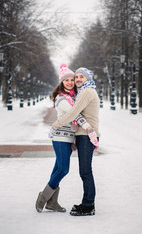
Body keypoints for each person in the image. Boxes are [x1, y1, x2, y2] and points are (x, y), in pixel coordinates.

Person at [35, 64, 97, 213]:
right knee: (63, 169)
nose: (70, 82)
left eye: (71, 79)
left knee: (57, 168)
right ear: (61, 83)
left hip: (69, 139)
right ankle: (43, 197)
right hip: (60, 137)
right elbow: (74, 114)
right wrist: (88, 127)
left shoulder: (74, 96)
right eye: (66, 80)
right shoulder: (62, 98)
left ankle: (52, 202)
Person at [52, 67, 100, 216]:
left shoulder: (86, 92)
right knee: (85, 171)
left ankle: (88, 206)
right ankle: (87, 203)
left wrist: (56, 125)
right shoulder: (86, 91)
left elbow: (73, 113)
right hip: (84, 135)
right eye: (76, 76)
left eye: (81, 77)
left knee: (85, 172)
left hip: (86, 135)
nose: (78, 79)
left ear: (88, 79)